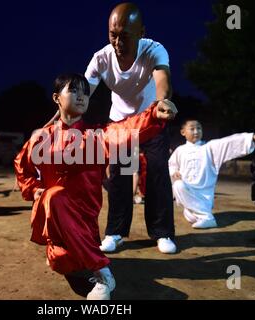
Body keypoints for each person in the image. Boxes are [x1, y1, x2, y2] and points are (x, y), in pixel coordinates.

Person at [14, 73, 177, 300]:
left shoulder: (97, 136)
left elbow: (127, 128)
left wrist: (153, 115)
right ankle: (97, 268)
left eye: (85, 92)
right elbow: (22, 166)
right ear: (56, 98)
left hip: (85, 224)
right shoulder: (42, 137)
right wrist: (33, 189)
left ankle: (100, 272)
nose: (81, 96)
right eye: (73, 91)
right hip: (54, 224)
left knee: (62, 243)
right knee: (55, 210)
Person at [84, 2, 176, 254]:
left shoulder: (154, 50)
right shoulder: (100, 59)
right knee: (119, 177)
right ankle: (115, 232)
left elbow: (162, 80)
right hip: (120, 125)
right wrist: (57, 121)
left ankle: (162, 233)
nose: (117, 42)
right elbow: (80, 95)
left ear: (141, 33)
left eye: (124, 36)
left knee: (157, 172)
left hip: (151, 117)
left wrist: (163, 102)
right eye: (113, 35)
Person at [168, 119, 255, 228]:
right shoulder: (180, 150)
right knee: (178, 186)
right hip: (188, 195)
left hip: (204, 195)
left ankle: (207, 217)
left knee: (189, 203)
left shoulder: (209, 147)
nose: (196, 131)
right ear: (183, 132)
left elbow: (228, 142)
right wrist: (174, 172)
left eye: (199, 128)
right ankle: (202, 215)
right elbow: (171, 165)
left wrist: (251, 137)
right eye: (192, 129)